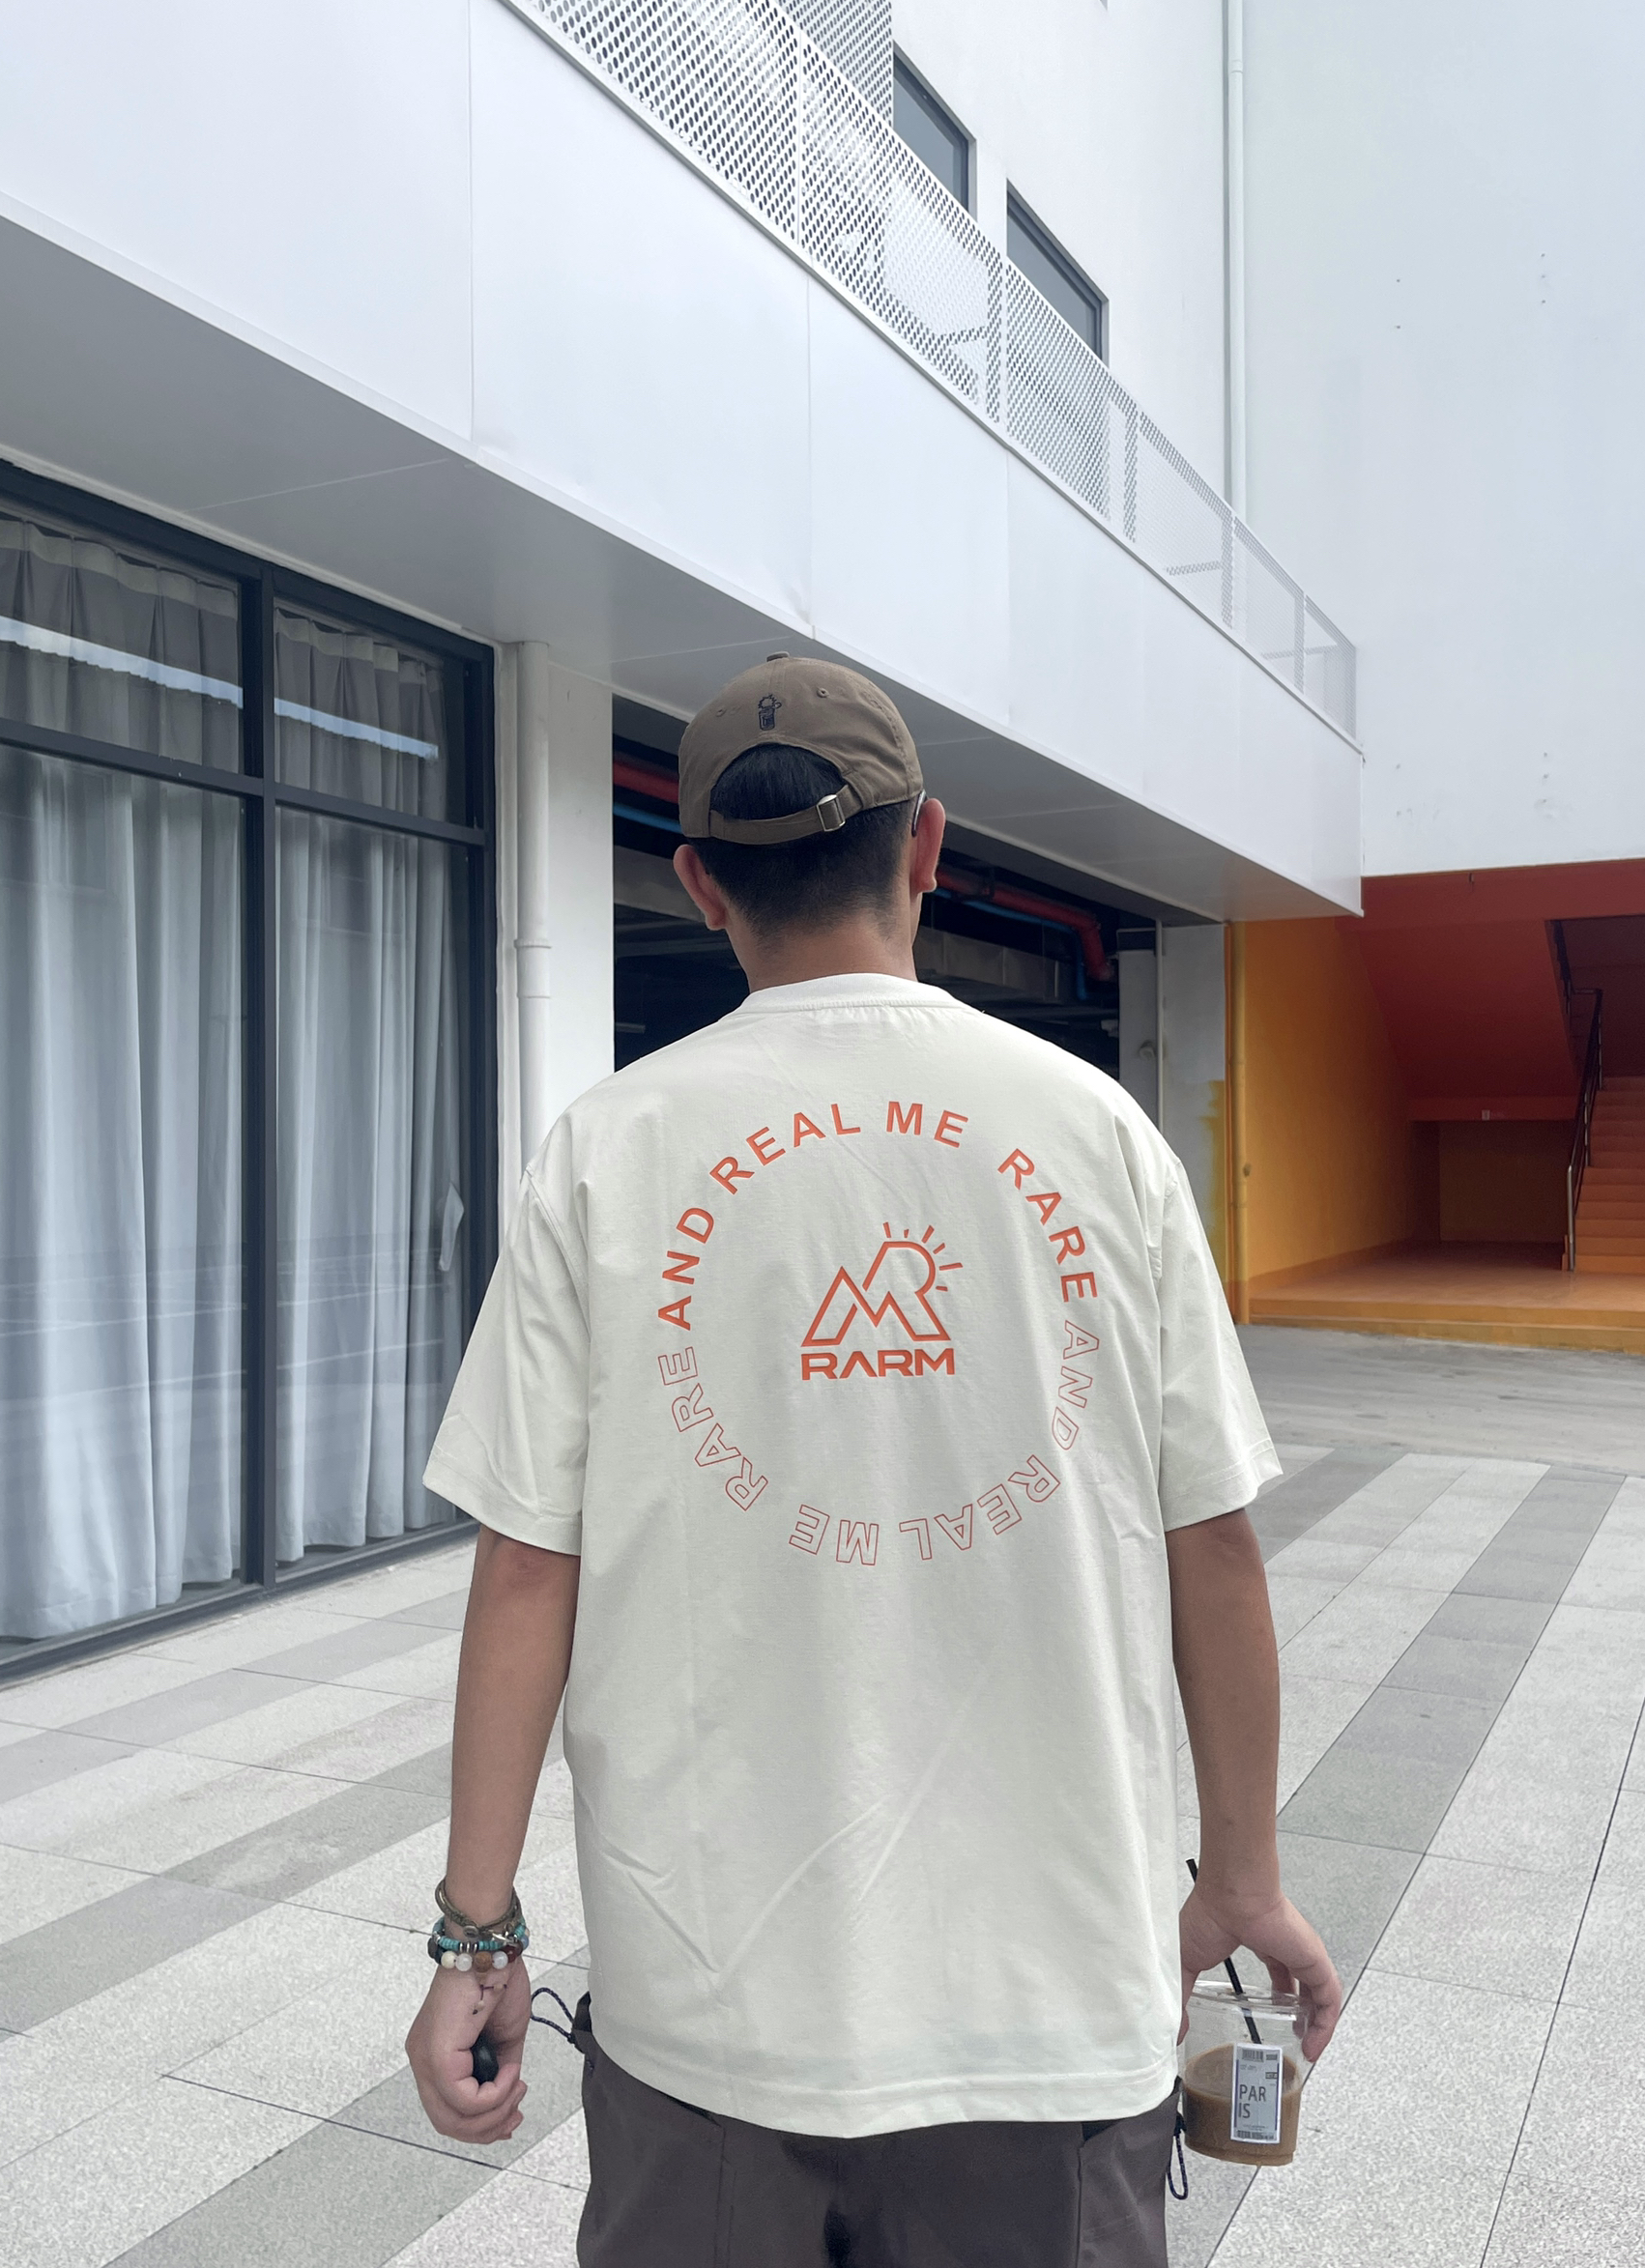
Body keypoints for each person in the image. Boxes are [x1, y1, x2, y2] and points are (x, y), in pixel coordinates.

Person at [406, 655, 1341, 2265]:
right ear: (926, 847)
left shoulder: (609, 1148)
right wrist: (1243, 1877)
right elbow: (1212, 1543)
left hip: (707, 2014)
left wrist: (473, 1932)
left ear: (700, 883)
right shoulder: (1098, 1136)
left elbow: (525, 1566)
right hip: (1050, 2011)